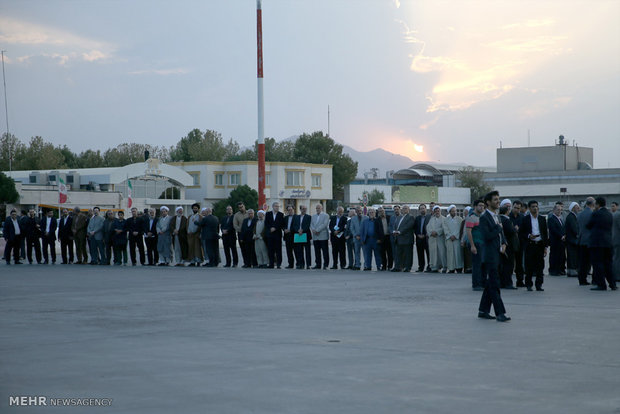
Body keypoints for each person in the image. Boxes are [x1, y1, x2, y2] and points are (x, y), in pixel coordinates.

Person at [477, 191, 511, 322]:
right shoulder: (484, 218)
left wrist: (504, 243)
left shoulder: (498, 216)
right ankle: (500, 313)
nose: (498, 201)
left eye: (498, 199)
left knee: (491, 283)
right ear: (488, 202)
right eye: (495, 199)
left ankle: (483, 310)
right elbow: (487, 236)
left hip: (499, 254)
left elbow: (501, 235)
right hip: (490, 255)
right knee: (495, 284)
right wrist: (497, 228)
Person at [587, 197, 617, 290]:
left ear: (598, 204)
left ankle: (601, 284)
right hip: (608, 242)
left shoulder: (596, 213)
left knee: (598, 264)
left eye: (595, 204)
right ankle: (613, 284)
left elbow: (589, 225)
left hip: (597, 243)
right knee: (608, 264)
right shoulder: (609, 214)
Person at [519, 200, 549, 291]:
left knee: (540, 266)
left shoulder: (542, 219)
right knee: (529, 266)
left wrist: (545, 247)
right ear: (529, 208)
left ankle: (539, 284)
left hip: (539, 244)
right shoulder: (525, 219)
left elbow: (545, 233)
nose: (535, 208)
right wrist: (529, 236)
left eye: (536, 206)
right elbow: (521, 233)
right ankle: (528, 284)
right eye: (533, 207)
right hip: (530, 245)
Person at [466, 200, 485, 290]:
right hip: (476, 243)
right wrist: (472, 245)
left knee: (482, 264)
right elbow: (468, 232)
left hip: (482, 243)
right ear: (475, 206)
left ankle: (481, 283)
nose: (482, 207)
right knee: (476, 265)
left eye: (483, 206)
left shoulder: (482, 217)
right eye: (480, 205)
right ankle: (476, 284)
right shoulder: (471, 217)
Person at [499, 203, 518, 289]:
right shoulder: (506, 220)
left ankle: (503, 282)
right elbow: (510, 231)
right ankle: (508, 283)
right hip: (509, 245)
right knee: (509, 265)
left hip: (503, 245)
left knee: (503, 265)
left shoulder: (499, 219)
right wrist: (515, 229)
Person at [577, 197, 595, 285]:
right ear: (592, 204)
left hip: (582, 239)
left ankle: (582, 279)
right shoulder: (593, 214)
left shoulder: (580, 214)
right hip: (591, 240)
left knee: (583, 262)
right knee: (592, 261)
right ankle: (593, 279)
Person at [392, 205, 415, 272]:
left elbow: (408, 226)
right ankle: (398, 267)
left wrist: (400, 232)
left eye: (406, 208)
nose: (404, 209)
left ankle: (407, 267)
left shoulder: (411, 217)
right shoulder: (399, 217)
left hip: (407, 239)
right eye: (403, 208)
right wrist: (394, 231)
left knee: (408, 254)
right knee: (398, 254)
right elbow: (395, 225)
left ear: (409, 210)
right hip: (399, 239)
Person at [443, 205, 463, 273]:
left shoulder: (460, 219)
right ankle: (451, 268)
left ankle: (459, 267)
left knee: (458, 254)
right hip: (449, 239)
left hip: (456, 239)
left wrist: (455, 236)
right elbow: (445, 229)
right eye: (453, 211)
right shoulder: (446, 220)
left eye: (455, 211)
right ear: (450, 212)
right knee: (450, 254)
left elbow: (460, 229)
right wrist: (450, 236)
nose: (454, 212)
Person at [509, 200, 525, 287]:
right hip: (510, 242)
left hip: (520, 242)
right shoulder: (508, 216)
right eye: (515, 207)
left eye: (518, 208)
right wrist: (514, 229)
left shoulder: (522, 217)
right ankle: (509, 281)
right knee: (510, 263)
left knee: (519, 263)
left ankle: (520, 281)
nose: (516, 210)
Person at [548, 202, 566, 276]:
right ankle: (553, 270)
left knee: (560, 256)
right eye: (558, 210)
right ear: (554, 210)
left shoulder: (560, 219)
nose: (560, 211)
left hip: (561, 241)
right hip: (555, 240)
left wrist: (564, 235)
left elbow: (562, 228)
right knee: (554, 256)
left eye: (561, 210)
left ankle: (559, 270)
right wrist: (561, 236)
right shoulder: (552, 218)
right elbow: (553, 229)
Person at [264, 202, 284, 269]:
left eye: (278, 206)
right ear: (273, 207)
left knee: (278, 250)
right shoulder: (268, 214)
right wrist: (270, 228)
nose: (277, 207)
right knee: (270, 250)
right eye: (276, 206)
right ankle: (271, 263)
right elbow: (266, 223)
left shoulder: (281, 214)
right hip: (270, 235)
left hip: (278, 235)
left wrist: (275, 228)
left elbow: (281, 224)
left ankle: (278, 264)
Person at [427, 206, 446, 273]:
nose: (437, 212)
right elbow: (428, 227)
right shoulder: (432, 219)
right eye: (436, 211)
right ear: (434, 212)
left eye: (438, 211)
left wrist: (437, 232)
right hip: (433, 239)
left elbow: (444, 228)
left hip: (440, 238)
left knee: (442, 253)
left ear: (440, 211)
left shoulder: (444, 219)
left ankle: (444, 267)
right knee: (433, 254)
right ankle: (434, 267)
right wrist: (431, 233)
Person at [292, 205, 312, 269]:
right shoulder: (296, 217)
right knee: (299, 251)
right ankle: (301, 264)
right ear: (300, 209)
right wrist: (298, 230)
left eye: (305, 208)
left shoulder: (309, 217)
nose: (304, 210)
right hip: (298, 235)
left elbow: (308, 225)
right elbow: (294, 225)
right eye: (303, 209)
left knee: (307, 251)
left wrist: (302, 230)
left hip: (306, 235)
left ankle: (308, 264)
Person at [310, 203, 330, 269]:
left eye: (319, 208)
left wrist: (317, 230)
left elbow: (324, 224)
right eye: (317, 208)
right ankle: (318, 264)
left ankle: (325, 265)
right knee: (317, 252)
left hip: (323, 236)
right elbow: (311, 224)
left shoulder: (326, 215)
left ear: (322, 208)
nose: (317, 209)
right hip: (315, 236)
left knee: (325, 251)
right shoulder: (313, 216)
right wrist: (313, 230)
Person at [565, 202, 581, 280]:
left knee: (573, 255)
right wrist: (578, 234)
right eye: (577, 207)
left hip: (572, 240)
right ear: (573, 208)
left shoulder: (573, 216)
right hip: (572, 240)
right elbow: (574, 228)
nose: (578, 209)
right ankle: (572, 271)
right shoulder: (571, 217)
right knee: (572, 256)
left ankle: (572, 270)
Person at [414, 204, 430, 272]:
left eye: (423, 208)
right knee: (420, 254)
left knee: (428, 254)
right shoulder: (417, 218)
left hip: (426, 238)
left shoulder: (429, 217)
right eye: (421, 209)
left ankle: (429, 267)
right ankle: (421, 267)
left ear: (426, 209)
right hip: (419, 239)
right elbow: (415, 228)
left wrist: (425, 234)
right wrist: (417, 234)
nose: (422, 210)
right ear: (419, 210)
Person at [233, 202, 250, 267]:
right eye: (239, 207)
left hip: (249, 234)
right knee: (243, 249)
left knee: (250, 248)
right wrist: (241, 230)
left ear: (244, 206)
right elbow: (235, 225)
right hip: (241, 234)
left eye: (242, 207)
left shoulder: (249, 213)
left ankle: (251, 262)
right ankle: (246, 263)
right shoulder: (236, 215)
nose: (241, 208)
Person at [376, 207, 392, 271]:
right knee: (382, 253)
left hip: (389, 237)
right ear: (378, 213)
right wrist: (378, 238)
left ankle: (390, 266)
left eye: (382, 211)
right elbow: (376, 230)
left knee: (390, 253)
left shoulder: (389, 218)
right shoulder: (377, 220)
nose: (381, 212)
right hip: (381, 238)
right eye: (380, 211)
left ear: (384, 211)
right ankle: (384, 266)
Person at [389, 205, 401, 271]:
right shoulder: (392, 217)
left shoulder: (402, 217)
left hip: (400, 237)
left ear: (400, 210)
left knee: (400, 253)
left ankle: (400, 266)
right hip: (393, 237)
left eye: (397, 209)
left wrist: (398, 232)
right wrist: (393, 232)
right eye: (395, 210)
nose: (396, 211)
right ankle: (396, 266)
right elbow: (390, 226)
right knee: (394, 253)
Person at [460, 206, 472, 273]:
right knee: (466, 255)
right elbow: (463, 231)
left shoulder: (470, 218)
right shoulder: (465, 220)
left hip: (471, 240)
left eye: (466, 212)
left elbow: (466, 231)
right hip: (467, 241)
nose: (465, 213)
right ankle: (467, 268)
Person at [613, 202, 620, 282]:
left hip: (614, 239)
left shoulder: (613, 215)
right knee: (617, 258)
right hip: (618, 239)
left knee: (615, 257)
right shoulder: (618, 215)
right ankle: (617, 276)